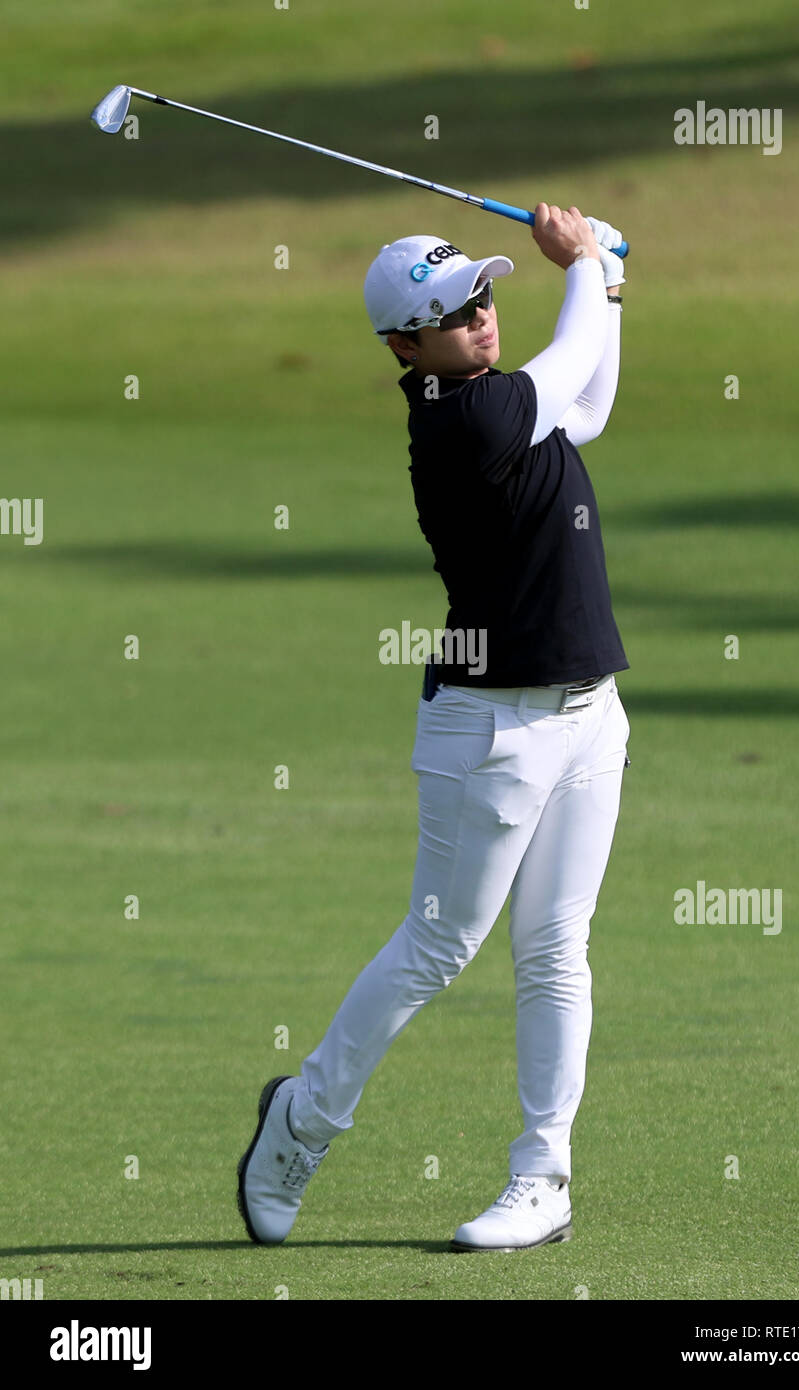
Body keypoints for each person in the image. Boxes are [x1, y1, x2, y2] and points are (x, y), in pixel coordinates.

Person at [237, 203, 631, 1252]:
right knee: (437, 945)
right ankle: (301, 1123)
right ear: (405, 346)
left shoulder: (509, 405)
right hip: (489, 729)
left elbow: (587, 397)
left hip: (590, 716)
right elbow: (572, 353)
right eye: (452, 314)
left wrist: (611, 285)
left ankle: (542, 1176)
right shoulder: (461, 420)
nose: (481, 318)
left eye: (485, 296)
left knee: (556, 949)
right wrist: (587, 263)